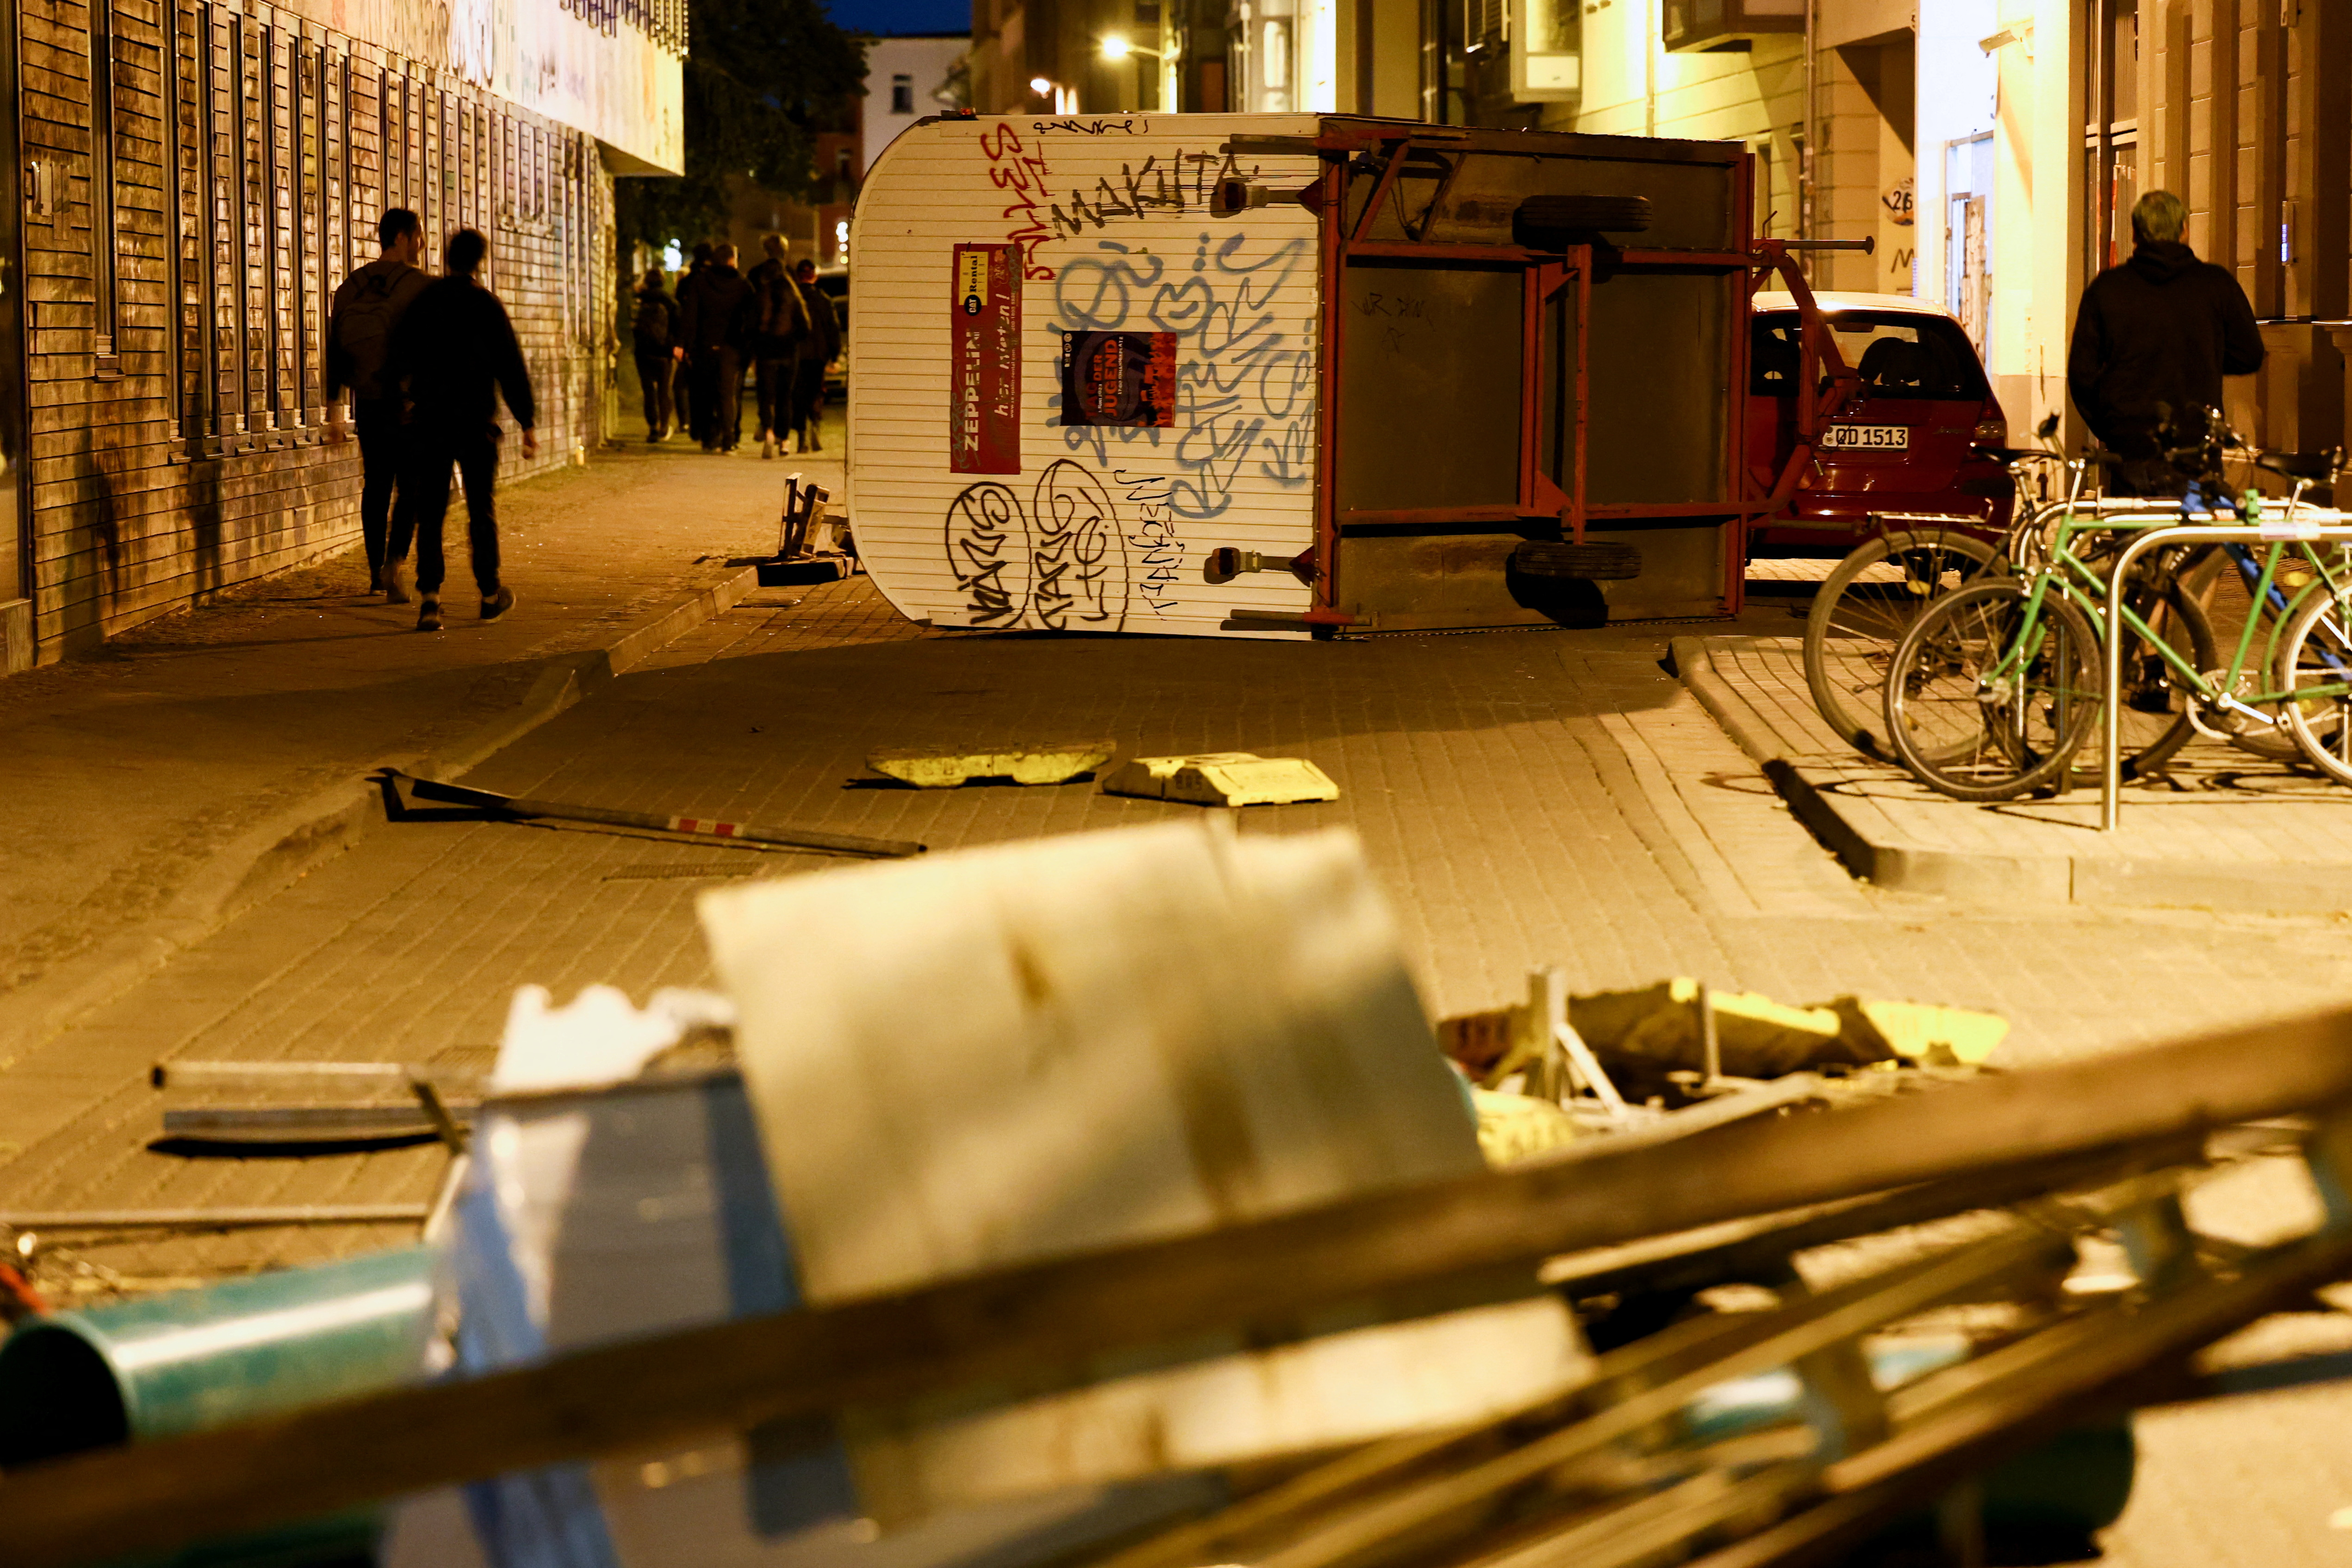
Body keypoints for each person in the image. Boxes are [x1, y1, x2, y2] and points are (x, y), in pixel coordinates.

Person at [385, 228, 537, 632]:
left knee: (431, 509)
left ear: (448, 258)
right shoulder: (486, 304)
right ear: (479, 261)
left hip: (431, 421)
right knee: (480, 509)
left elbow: (397, 355)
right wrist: (527, 421)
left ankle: (430, 600)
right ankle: (489, 594)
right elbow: (510, 365)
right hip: (475, 421)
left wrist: (403, 402)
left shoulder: (425, 301)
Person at [2067, 189, 2265, 495]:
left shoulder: (2107, 290)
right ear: (2184, 229)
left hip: (2131, 445)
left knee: (2134, 524)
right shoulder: (2215, 285)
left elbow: (2082, 374)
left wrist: (2111, 427)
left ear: (2136, 234)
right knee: (2193, 522)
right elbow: (2249, 354)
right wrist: (2204, 358)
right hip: (2196, 442)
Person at [325, 208, 432, 600]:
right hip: (408, 405)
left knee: (376, 485)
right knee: (412, 486)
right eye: (419, 236)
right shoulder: (420, 286)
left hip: (368, 402)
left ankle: (375, 573)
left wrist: (334, 408)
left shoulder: (350, 288)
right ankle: (395, 562)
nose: (422, 244)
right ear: (402, 238)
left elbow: (335, 352)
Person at [679, 241, 755, 453]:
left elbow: (690, 314)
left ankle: (709, 438)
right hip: (732, 346)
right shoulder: (743, 285)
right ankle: (728, 439)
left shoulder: (701, 282)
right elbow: (752, 317)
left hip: (704, 345)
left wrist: (683, 343)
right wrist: (749, 344)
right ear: (731, 261)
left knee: (705, 392)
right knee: (727, 394)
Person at [746, 235, 811, 459]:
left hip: (765, 351)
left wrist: (755, 345)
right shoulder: (792, 287)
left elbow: (751, 323)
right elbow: (805, 324)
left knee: (766, 396)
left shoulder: (758, 284)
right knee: (785, 396)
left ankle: (769, 432)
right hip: (788, 350)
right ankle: (784, 440)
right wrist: (794, 340)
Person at [790, 258, 842, 454]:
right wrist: (834, 356)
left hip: (797, 354)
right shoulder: (824, 300)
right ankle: (815, 425)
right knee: (816, 393)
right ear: (815, 276)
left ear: (798, 277)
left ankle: (802, 437)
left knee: (798, 395)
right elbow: (833, 330)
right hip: (818, 355)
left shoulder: (793, 299)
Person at [632, 268, 681, 441]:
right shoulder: (670, 302)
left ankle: (652, 426)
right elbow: (678, 327)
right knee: (664, 390)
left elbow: (632, 325)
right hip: (664, 352)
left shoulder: (639, 300)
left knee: (649, 391)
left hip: (643, 351)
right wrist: (676, 347)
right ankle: (664, 426)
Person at [671, 242, 713, 440]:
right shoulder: (715, 280)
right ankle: (708, 427)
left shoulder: (688, 282)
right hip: (711, 339)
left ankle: (692, 424)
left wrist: (680, 342)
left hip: (691, 340)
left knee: (687, 385)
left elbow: (682, 314)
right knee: (709, 385)